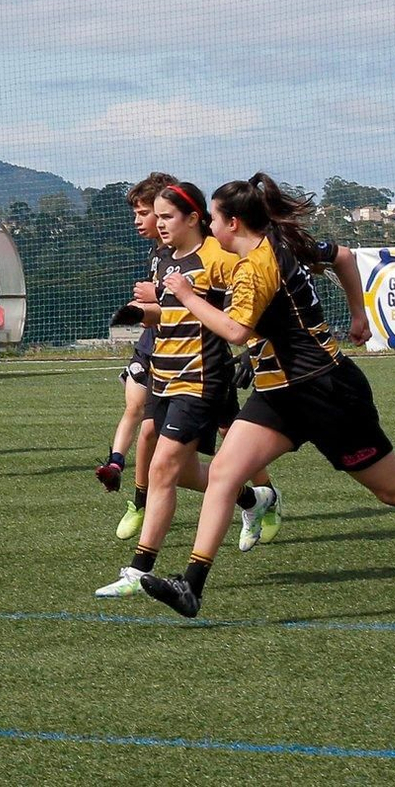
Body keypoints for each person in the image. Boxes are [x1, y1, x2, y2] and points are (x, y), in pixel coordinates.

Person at [142, 173, 395, 617]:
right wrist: (358, 314)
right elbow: (342, 256)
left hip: (325, 391)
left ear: (234, 224)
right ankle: (192, 586)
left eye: (215, 220)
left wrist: (186, 295)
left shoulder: (257, 266)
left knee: (394, 490)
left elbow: (236, 331)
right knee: (224, 473)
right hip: (279, 393)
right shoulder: (275, 242)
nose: (210, 227)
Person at [95, 181, 280, 598]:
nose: (158, 225)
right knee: (180, 472)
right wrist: (143, 313)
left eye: (166, 217)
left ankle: (138, 570)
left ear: (194, 218)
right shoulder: (166, 260)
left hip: (200, 379)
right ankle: (253, 500)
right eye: (155, 217)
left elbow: (250, 305)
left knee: (162, 469)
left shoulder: (219, 256)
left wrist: (253, 352)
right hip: (164, 376)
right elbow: (173, 313)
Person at [96, 172, 170, 539]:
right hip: (151, 344)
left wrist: (152, 299)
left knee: (226, 431)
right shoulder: (156, 249)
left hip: (191, 354)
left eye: (144, 213)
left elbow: (190, 304)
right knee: (138, 416)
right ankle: (133, 493)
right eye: (137, 213)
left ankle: (260, 496)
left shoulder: (193, 250)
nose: (137, 221)